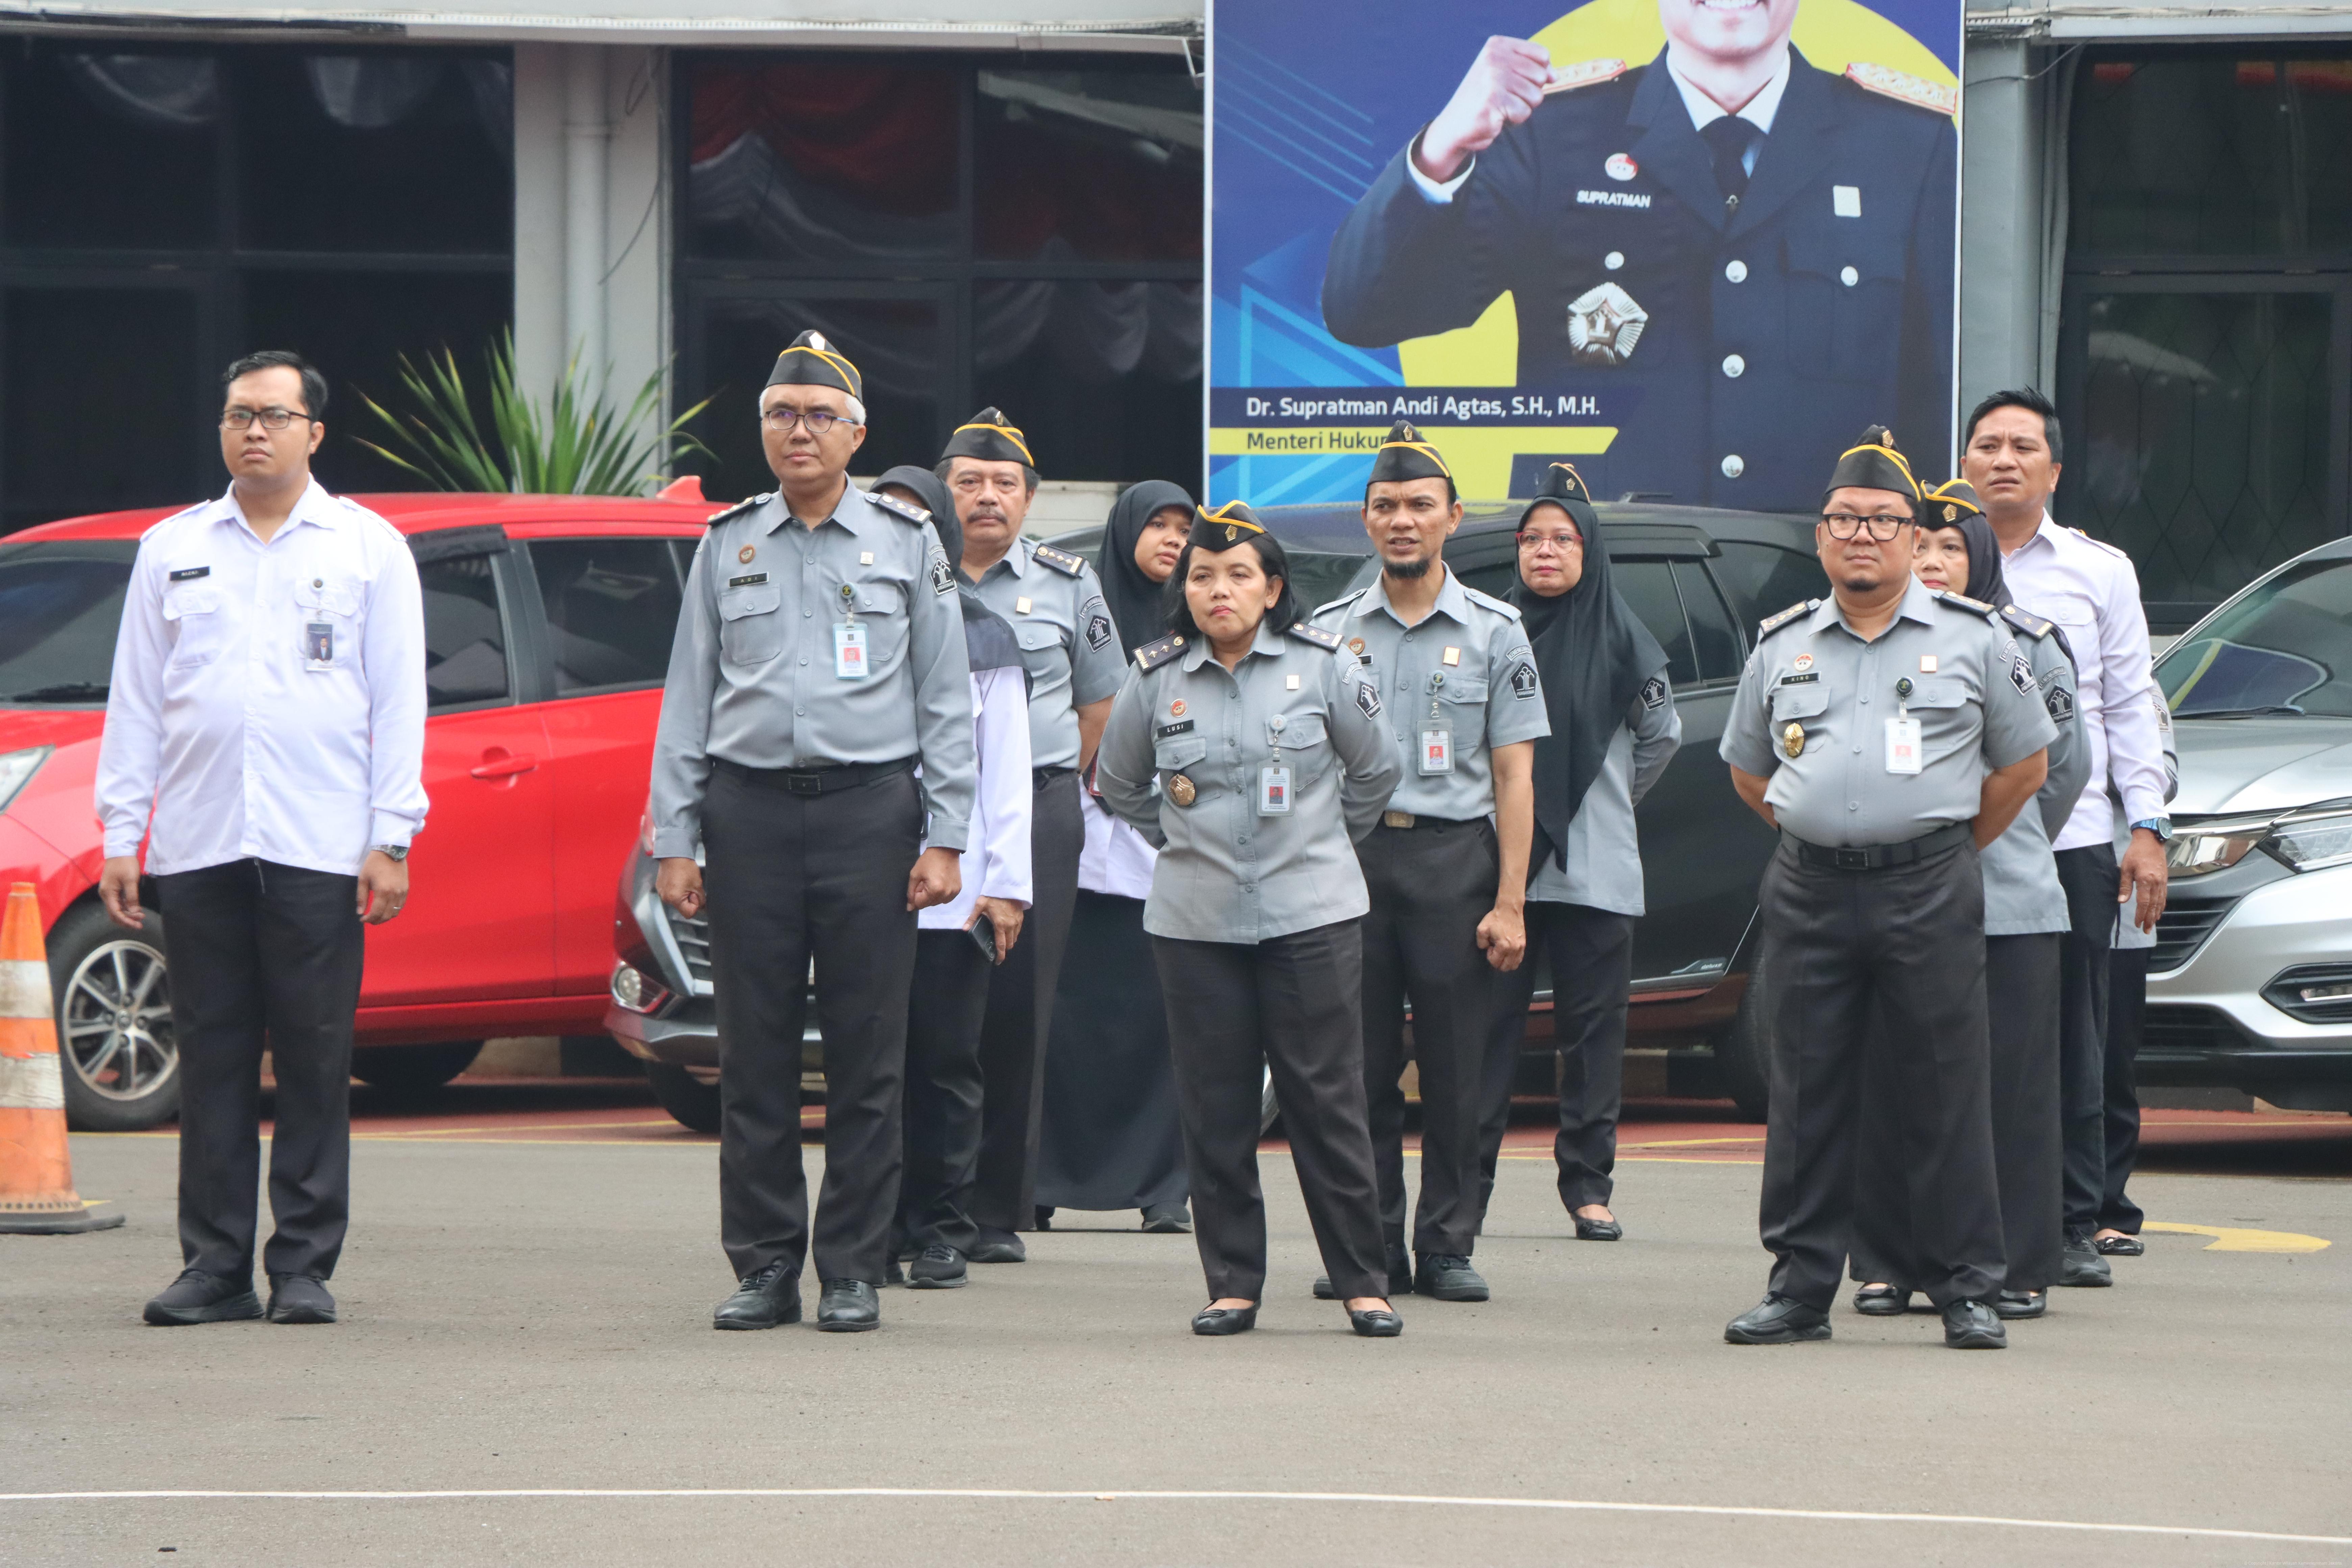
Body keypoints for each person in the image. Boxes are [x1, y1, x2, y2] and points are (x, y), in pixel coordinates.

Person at [649, 330, 975, 1334]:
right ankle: (763, 1264)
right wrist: (675, 837)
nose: (800, 430)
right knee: (754, 1053)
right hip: (746, 814)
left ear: (857, 432)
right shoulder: (726, 542)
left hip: (869, 813)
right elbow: (687, 699)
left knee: (869, 1052)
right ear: (763, 431)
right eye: (782, 414)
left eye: (820, 415)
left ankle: (852, 1267)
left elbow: (944, 699)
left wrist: (947, 833)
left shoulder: (907, 542)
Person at [1320, 0, 1957, 512]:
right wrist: (1443, 148)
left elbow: (1930, 402)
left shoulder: (1906, 142)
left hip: (1830, 595)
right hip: (1599, 589)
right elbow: (1364, 312)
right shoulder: (1553, 132)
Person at [98, 350, 426, 1328]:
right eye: (241, 415)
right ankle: (214, 1265)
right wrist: (124, 830)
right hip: (200, 843)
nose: (255, 432)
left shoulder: (368, 548)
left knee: (318, 1055)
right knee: (212, 1055)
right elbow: (137, 702)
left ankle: (305, 1266)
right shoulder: (174, 548)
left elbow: (400, 702)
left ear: (314, 434)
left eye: (276, 417)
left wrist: (392, 835)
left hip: (320, 845)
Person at [1718, 426, 2055, 1351]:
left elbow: (2027, 763)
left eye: (1881, 521)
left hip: (1929, 890)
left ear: (1915, 539)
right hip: (1810, 891)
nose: (1861, 537)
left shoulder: (1978, 639)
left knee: (1947, 1088)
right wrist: (1818, 830)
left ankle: (1967, 1287)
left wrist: (1943, 844)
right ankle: (1799, 1285)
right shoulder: (1782, 645)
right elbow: (1750, 773)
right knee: (1806, 1091)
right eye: (1843, 521)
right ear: (1821, 537)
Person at [1096, 502, 1406, 1337]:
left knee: (1326, 1100)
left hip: (1311, 915)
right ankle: (1232, 1281)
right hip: (1196, 921)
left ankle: (1362, 1280)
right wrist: (1179, 837)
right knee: (1216, 1105)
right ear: (1183, 590)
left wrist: (1323, 842)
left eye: (1238, 575)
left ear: (1273, 589)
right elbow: (1118, 783)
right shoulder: (1156, 676)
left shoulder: (1325, 666)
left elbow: (1377, 771)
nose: (1218, 590)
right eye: (1201, 576)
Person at [1306, 423, 1546, 1303]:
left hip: (1456, 862)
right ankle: (1368, 1247)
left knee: (1458, 1070)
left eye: (1419, 507)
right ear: (1366, 522)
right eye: (1386, 508)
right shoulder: (1329, 633)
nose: (1402, 521)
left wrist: (1511, 900)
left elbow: (1517, 774)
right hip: (1354, 863)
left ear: (1453, 517)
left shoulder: (1496, 632)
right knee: (1353, 1068)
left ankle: (1446, 1243)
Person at [1848, 479, 2087, 1320]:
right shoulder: (1865, 642)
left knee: (2009, 1091)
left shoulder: (2025, 642)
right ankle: (1888, 1260)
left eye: (1954, 549)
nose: (1936, 563)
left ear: (1982, 559)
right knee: (1893, 1081)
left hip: (2007, 903)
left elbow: (2060, 773)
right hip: (1895, 900)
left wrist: (1978, 842)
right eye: (1924, 547)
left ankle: (2018, 1262)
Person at [1960, 388, 2170, 1286]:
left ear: (2054, 469)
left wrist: (2148, 827)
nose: (2003, 460)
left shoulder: (2098, 571)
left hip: (2073, 838)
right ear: (1964, 463)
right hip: (1953, 842)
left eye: (2022, 447)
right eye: (1987, 445)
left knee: (2071, 1041)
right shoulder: (1931, 555)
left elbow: (2128, 705)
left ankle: (2075, 1220)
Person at [1473, 461, 1679, 1246]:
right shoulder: (1493, 631)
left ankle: (1589, 1188)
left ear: (1590, 551)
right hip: (1504, 876)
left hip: (1595, 870)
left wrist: (1608, 801)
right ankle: (1471, 1186)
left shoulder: (1626, 637)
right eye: (1532, 539)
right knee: (1487, 1035)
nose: (1545, 552)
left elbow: (1663, 738)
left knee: (1593, 1039)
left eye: (1563, 539)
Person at [942, 408, 1128, 1263]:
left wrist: (1049, 787)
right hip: (927, 815)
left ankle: (993, 1207)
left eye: (1005, 485)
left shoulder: (1067, 582)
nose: (987, 498)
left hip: (1037, 806)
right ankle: (921, 1194)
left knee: (1017, 1011)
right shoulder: (914, 571)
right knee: (929, 1006)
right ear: (946, 491)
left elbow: (1101, 708)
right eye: (970, 482)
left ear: (1029, 499)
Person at [869, 465, 1033, 1292]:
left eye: (914, 521)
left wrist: (1005, 884)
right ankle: (873, 1224)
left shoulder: (985, 635)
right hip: (863, 886)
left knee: (945, 1064)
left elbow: (1004, 773)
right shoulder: (850, 624)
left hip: (954, 890)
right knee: (873, 1068)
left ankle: (941, 1223)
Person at [1035, 480, 1197, 1234]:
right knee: (1060, 1021)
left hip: (1165, 854)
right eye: (1156, 525)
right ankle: (1040, 1177)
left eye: (1182, 528)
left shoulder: (1203, 624)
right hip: (1078, 848)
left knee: (1159, 1023)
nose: (1170, 539)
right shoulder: (1084, 614)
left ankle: (1161, 1185)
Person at [2097, 680, 2178, 1259]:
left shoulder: (2133, 685)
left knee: (2108, 1057)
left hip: (2112, 887)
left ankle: (2108, 1207)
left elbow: (2163, 772)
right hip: (2020, 882)